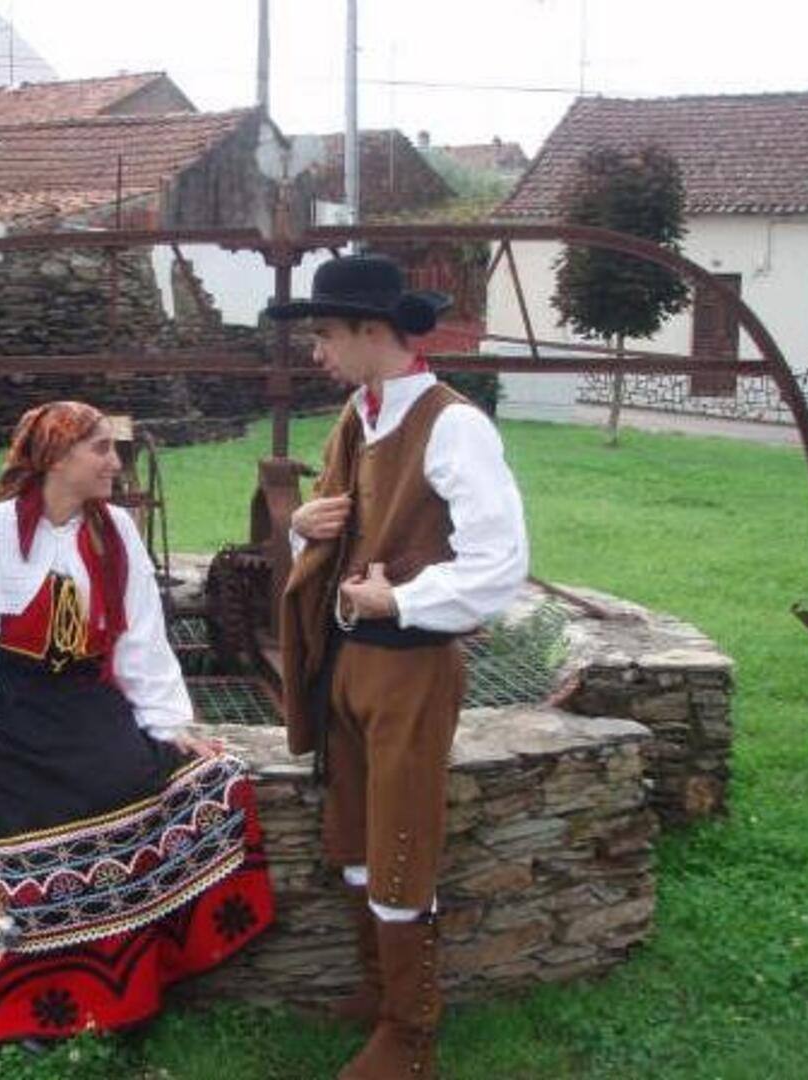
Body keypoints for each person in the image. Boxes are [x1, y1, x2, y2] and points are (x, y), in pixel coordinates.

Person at [0, 400, 274, 1049]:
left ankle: (134, 980)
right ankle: (44, 998)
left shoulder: (114, 531)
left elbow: (141, 637)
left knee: (190, 779)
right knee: (36, 806)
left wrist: (165, 722)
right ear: (57, 458)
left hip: (81, 696)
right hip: (8, 700)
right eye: (99, 448)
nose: (113, 461)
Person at [268, 255, 529, 1079]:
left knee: (402, 841)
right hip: (349, 664)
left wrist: (404, 601)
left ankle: (412, 1035)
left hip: (411, 670)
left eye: (325, 335)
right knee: (354, 833)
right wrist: (305, 526)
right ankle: (379, 992)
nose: (318, 352)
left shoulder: (453, 426)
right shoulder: (360, 414)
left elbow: (501, 564)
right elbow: (341, 528)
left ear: (373, 332)